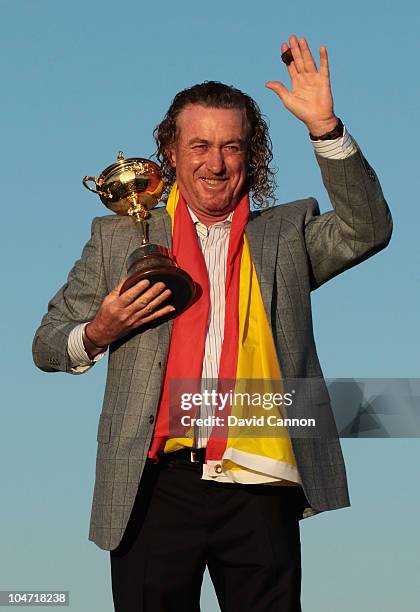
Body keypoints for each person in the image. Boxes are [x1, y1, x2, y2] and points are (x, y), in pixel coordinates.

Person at [32, 35, 392, 612]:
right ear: (170, 154)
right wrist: (98, 331)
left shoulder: (286, 235)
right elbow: (47, 346)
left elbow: (368, 228)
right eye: (199, 145)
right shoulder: (118, 237)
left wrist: (326, 129)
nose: (216, 161)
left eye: (231, 146)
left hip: (260, 485)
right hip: (152, 488)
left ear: (251, 157)